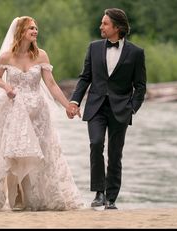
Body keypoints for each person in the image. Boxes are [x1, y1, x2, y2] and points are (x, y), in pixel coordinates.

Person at [0, 16, 83, 211]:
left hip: (38, 113)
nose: (35, 31)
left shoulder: (41, 55)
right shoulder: (6, 57)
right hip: (13, 110)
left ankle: (36, 197)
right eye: (31, 28)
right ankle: (16, 198)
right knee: (14, 153)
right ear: (20, 32)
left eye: (36, 28)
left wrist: (68, 105)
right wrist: (7, 87)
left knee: (40, 153)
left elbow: (51, 84)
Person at [66, 8, 146, 209]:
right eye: (102, 23)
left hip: (121, 109)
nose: (101, 26)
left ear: (117, 27)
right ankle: (99, 193)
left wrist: (132, 108)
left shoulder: (136, 53)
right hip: (96, 107)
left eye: (105, 24)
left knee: (115, 153)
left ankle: (111, 198)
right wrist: (75, 101)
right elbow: (85, 78)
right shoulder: (93, 48)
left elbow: (141, 86)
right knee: (96, 144)